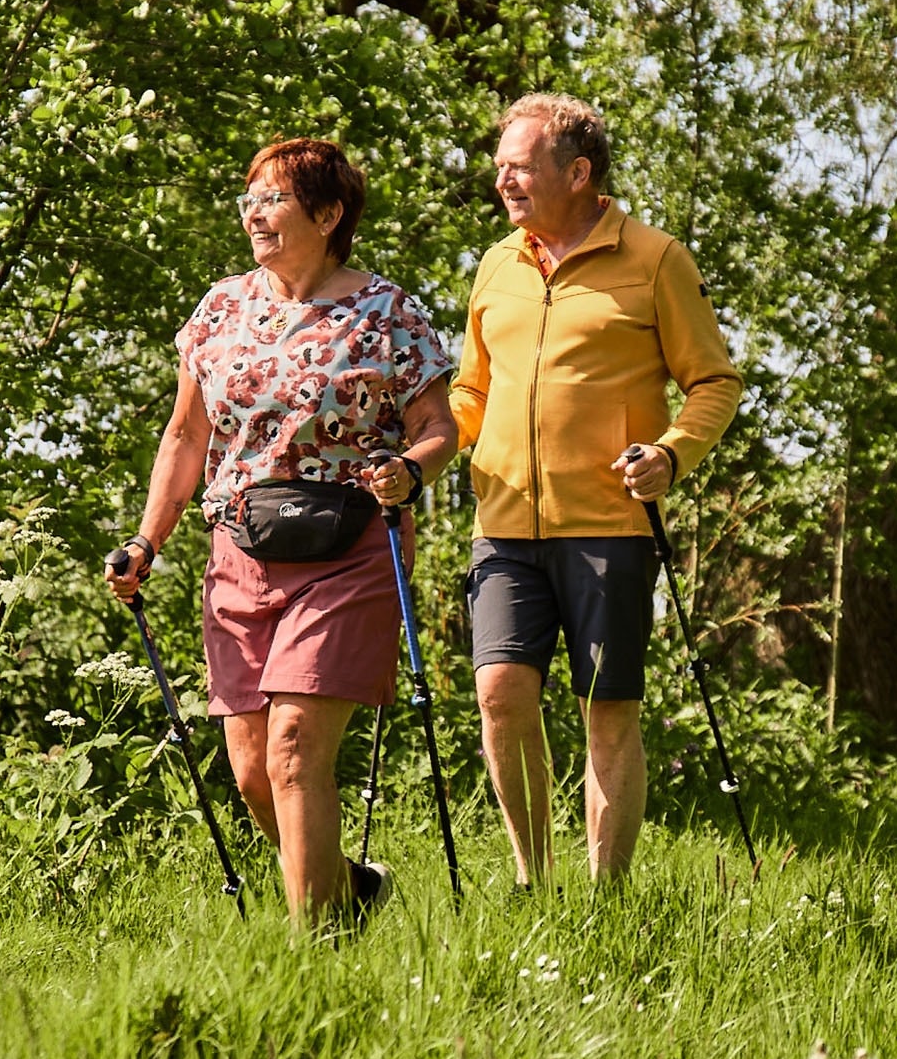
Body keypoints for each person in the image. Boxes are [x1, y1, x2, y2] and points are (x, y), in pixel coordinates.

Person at [106, 138, 458, 922]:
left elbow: (440, 424)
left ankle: (317, 954)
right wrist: (146, 541)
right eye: (251, 199)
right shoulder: (221, 309)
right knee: (254, 771)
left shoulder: (387, 312)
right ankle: (349, 892)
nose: (255, 214)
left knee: (296, 749)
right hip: (242, 548)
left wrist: (410, 469)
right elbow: (185, 437)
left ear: (328, 215)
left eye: (273, 199)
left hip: (350, 546)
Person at [450, 95, 743, 887]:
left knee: (605, 710)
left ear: (577, 173)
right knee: (500, 695)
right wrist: (423, 445)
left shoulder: (654, 259)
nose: (503, 178)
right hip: (504, 523)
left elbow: (714, 382)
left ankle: (605, 894)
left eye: (521, 165)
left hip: (609, 527)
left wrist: (672, 455)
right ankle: (531, 881)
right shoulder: (497, 264)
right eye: (500, 163)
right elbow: (472, 393)